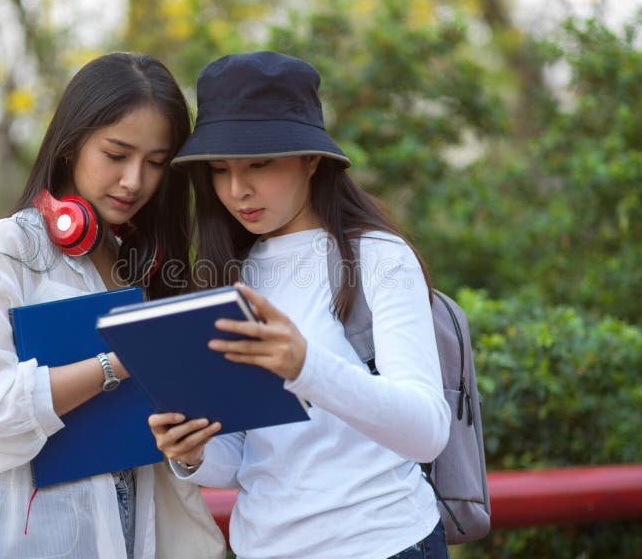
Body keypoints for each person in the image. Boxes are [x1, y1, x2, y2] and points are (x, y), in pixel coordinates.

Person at [148, 51, 452, 559]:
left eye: (259, 164)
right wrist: (194, 453)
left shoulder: (376, 257)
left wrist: (305, 365)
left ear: (312, 159)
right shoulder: (231, 276)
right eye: (219, 170)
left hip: (381, 543)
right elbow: (253, 459)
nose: (237, 189)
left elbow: (426, 431)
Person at [0, 52, 224, 559]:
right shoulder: (8, 249)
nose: (135, 181)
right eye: (116, 154)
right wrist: (117, 362)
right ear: (72, 146)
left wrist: (185, 449)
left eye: (156, 163)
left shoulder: (137, 266)